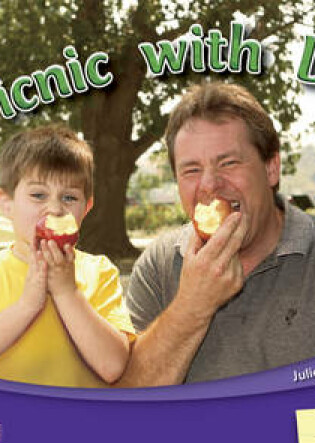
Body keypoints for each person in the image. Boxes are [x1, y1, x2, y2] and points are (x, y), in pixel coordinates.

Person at [119, 81, 315, 387]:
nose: (209, 185)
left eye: (228, 162)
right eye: (192, 170)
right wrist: (192, 307)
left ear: (271, 168)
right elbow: (128, 405)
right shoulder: (157, 266)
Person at [0, 125, 135, 387]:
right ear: (6, 204)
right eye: (38, 195)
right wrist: (27, 305)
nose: (54, 208)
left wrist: (67, 292)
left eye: (69, 197)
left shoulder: (98, 272)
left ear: (86, 207)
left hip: (80, 423)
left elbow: (113, 366)